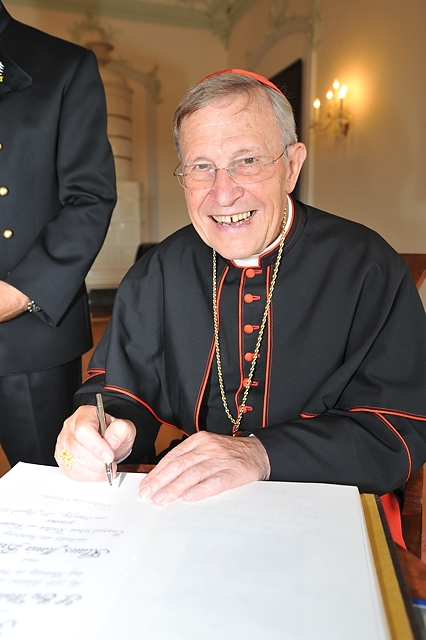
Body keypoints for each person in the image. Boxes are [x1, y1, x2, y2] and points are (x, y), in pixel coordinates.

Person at [55, 69, 426, 520]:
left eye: (247, 160)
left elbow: (399, 426)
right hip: (192, 500)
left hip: (331, 502)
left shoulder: (366, 265)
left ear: (291, 166)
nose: (224, 193)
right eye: (201, 167)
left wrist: (261, 453)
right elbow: (119, 390)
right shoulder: (158, 270)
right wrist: (101, 430)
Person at [0, 2, 116, 467]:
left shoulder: (63, 65)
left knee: (51, 491)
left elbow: (90, 197)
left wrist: (19, 293)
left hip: (27, 338)